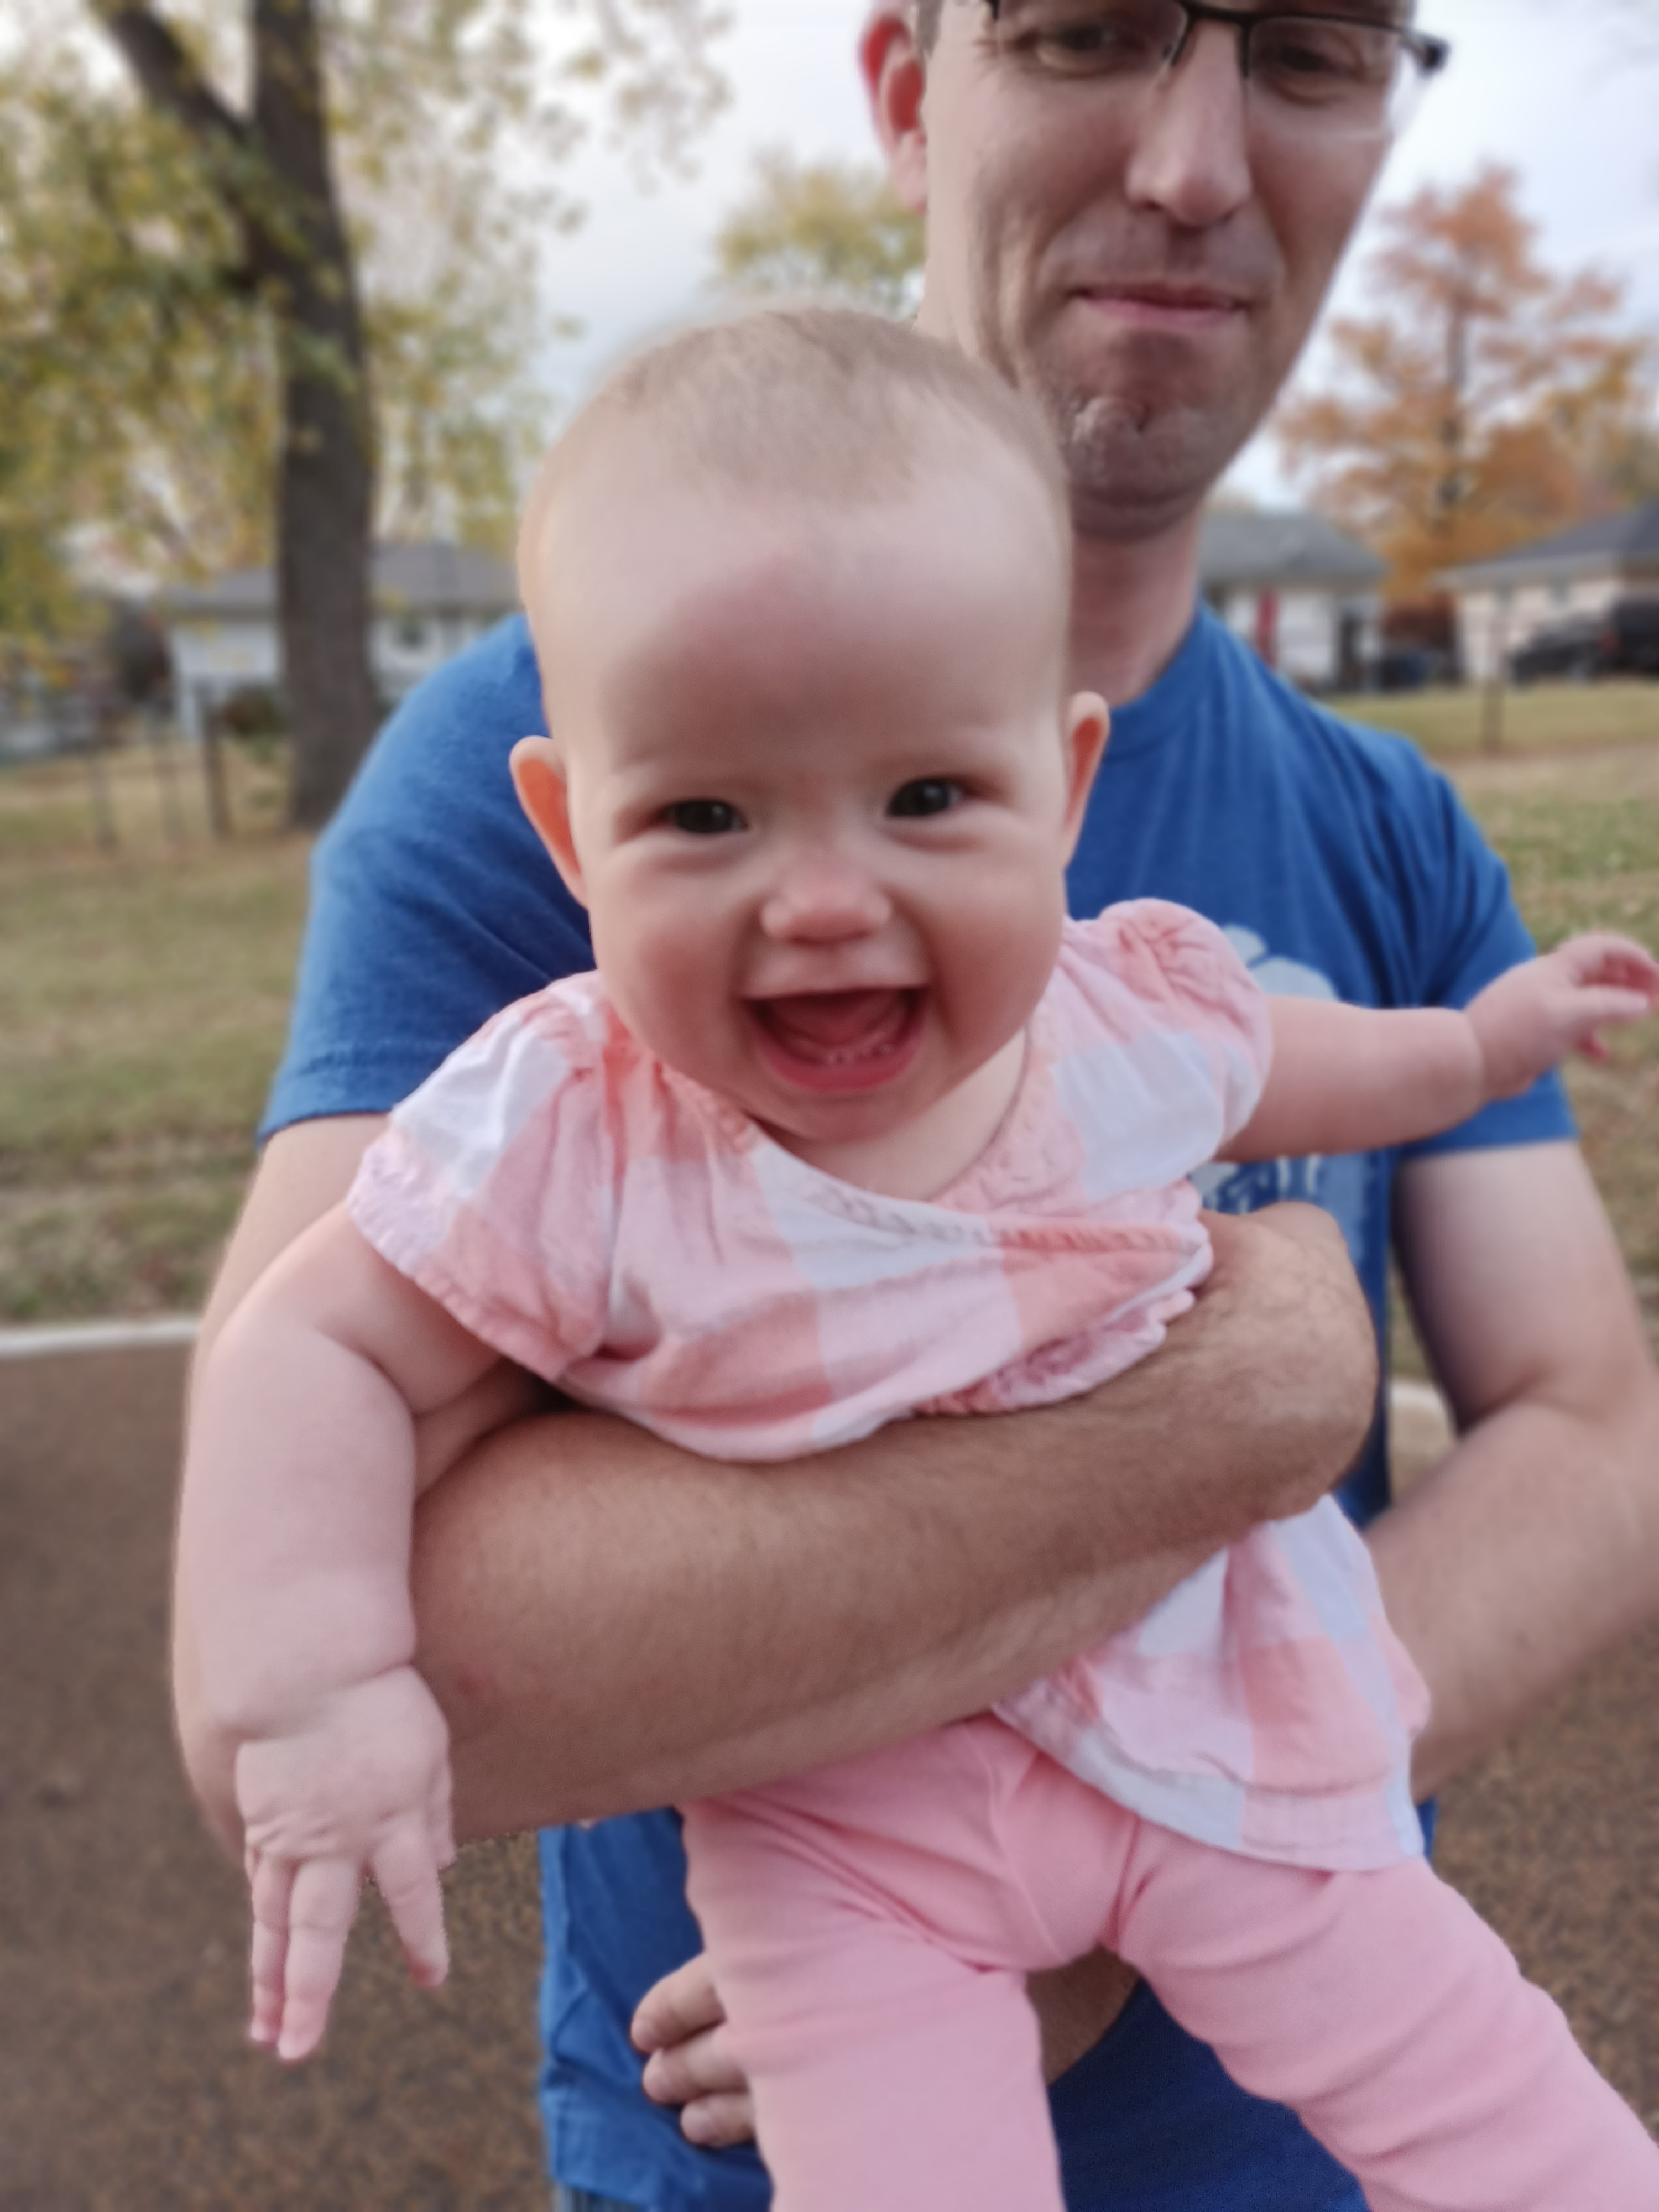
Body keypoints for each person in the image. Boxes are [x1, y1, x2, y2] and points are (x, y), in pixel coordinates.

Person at [171, 4, 1659, 2206]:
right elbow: (313, 1473)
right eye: (1088, 28)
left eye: (1310, 52)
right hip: (786, 2037)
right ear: (905, 87)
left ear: (1064, 786)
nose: (1193, 161)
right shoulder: (554, 901)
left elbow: (1591, 1418)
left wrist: (1212, 1780)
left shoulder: (1328, 861)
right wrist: (1239, 1397)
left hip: (1283, 2036)